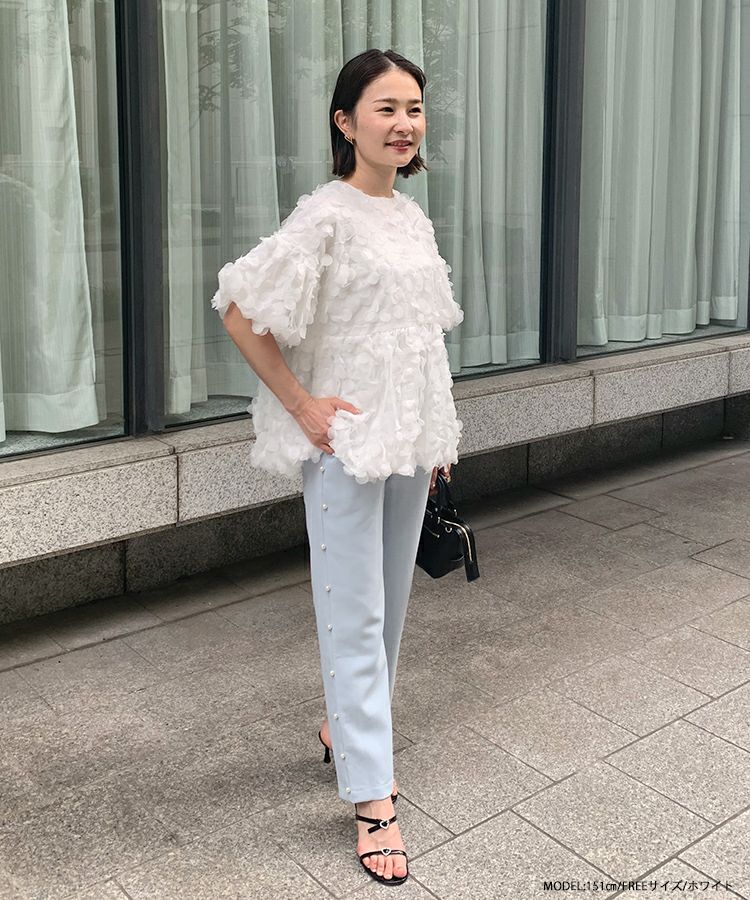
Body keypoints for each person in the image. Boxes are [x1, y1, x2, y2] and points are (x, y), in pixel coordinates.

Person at [211, 48, 463, 887]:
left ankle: (348, 730)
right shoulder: (325, 216)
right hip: (346, 446)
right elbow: (241, 310)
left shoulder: (412, 218)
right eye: (386, 108)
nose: (404, 124)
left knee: (388, 609)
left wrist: (436, 440)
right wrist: (302, 405)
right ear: (345, 121)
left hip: (406, 443)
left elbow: (420, 342)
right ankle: (373, 798)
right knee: (352, 615)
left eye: (414, 109)